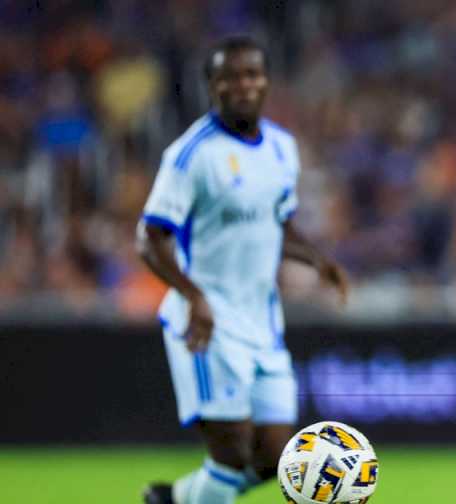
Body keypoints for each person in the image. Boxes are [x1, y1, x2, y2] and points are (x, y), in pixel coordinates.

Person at [138, 35, 348, 504]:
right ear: (211, 85)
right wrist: (194, 297)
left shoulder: (281, 149)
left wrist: (318, 260)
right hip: (208, 323)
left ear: (267, 81)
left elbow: (277, 223)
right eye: (229, 76)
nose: (242, 84)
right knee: (230, 455)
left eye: (252, 74)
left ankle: (173, 500)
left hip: (262, 323)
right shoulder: (191, 156)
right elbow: (148, 238)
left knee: (278, 457)